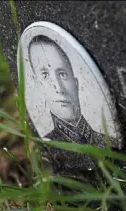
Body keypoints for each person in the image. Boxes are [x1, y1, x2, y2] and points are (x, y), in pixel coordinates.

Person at [28, 35, 116, 171]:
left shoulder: (110, 141)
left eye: (62, 74)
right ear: (37, 85)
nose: (58, 87)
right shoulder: (49, 146)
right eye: (45, 75)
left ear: (75, 83)